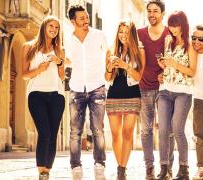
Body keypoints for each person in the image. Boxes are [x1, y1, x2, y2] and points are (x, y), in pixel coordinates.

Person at [65, 5, 108, 180]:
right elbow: (67, 59)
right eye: (81, 18)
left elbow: (109, 54)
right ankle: (76, 167)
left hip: (97, 86)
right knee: (75, 131)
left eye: (87, 17)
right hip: (76, 88)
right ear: (73, 21)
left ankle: (99, 166)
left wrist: (108, 73)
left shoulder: (99, 35)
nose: (86, 20)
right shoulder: (67, 38)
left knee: (97, 129)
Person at [22, 16, 65, 180]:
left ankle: (47, 172)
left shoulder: (60, 50)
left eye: (56, 27)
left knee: (53, 134)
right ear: (44, 27)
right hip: (36, 95)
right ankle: (41, 172)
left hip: (56, 96)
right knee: (45, 133)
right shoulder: (29, 47)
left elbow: (62, 77)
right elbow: (24, 74)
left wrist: (59, 62)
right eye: (51, 26)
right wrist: (39, 69)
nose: (54, 29)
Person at [156, 11, 197, 180]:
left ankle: (184, 169)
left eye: (175, 25)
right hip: (165, 89)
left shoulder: (190, 45)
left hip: (183, 92)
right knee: (163, 131)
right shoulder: (167, 41)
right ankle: (165, 169)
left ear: (183, 25)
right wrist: (163, 68)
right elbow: (168, 66)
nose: (172, 29)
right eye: (170, 25)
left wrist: (174, 64)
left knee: (178, 129)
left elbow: (192, 71)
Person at [137, 0, 174, 179]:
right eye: (149, 11)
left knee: (167, 129)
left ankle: (167, 167)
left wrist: (166, 73)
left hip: (165, 89)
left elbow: (177, 60)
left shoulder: (170, 33)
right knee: (146, 130)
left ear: (162, 14)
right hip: (143, 87)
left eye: (156, 11)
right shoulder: (139, 34)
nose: (152, 14)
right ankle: (149, 167)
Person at [104, 20, 145, 180]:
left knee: (127, 133)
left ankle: (122, 169)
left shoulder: (139, 51)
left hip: (132, 95)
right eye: (120, 31)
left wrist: (125, 65)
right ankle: (119, 164)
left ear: (132, 34)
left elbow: (139, 77)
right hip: (114, 95)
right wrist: (110, 66)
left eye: (127, 32)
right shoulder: (111, 51)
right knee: (115, 135)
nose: (123, 35)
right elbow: (107, 78)